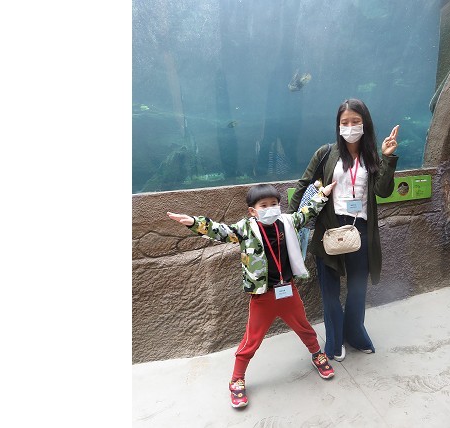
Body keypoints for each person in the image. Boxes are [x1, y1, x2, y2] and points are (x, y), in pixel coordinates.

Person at [167, 181, 337, 409]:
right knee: (251, 340)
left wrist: (323, 194)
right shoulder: (245, 228)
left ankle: (317, 354)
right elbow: (221, 231)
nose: (270, 208)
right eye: (263, 205)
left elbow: (307, 212)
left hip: (288, 290)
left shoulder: (287, 222)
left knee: (304, 327)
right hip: (262, 297)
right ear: (252, 210)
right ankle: (236, 379)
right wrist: (194, 222)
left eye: (274, 204)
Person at [288, 98, 399, 362]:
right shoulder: (326, 153)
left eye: (355, 121)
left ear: (365, 123)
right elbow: (303, 185)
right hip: (330, 228)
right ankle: (335, 341)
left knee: (358, 289)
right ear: (338, 125)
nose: (350, 127)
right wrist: (292, 220)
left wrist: (387, 157)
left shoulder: (371, 156)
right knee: (329, 291)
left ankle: (355, 334)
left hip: (361, 229)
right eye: (344, 122)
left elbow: (383, 191)